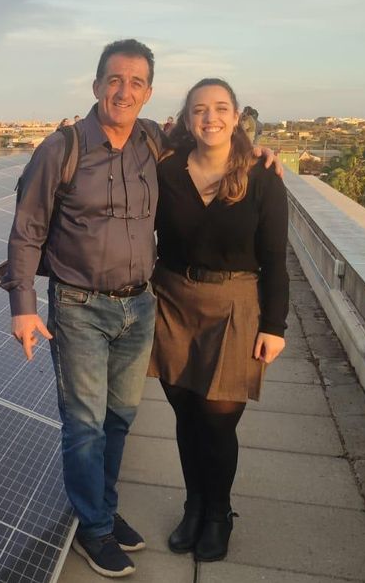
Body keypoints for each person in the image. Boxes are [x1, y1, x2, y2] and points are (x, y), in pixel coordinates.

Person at [3, 40, 282, 578]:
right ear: (96, 85)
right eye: (114, 79)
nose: (123, 91)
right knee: (84, 424)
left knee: (118, 421)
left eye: (136, 83)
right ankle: (94, 528)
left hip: (140, 307)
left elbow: (213, 132)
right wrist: (22, 305)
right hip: (80, 304)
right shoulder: (61, 149)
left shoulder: (154, 142)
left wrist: (258, 152)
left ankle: (103, 511)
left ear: (149, 93)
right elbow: (27, 230)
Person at [148, 78, 288, 563]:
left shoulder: (262, 176)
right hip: (173, 300)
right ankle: (194, 506)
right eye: (201, 110)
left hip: (236, 304)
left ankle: (219, 512)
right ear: (187, 119)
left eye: (221, 108)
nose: (211, 117)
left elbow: (275, 259)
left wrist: (276, 326)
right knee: (186, 415)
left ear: (236, 117)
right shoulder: (166, 170)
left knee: (218, 421)